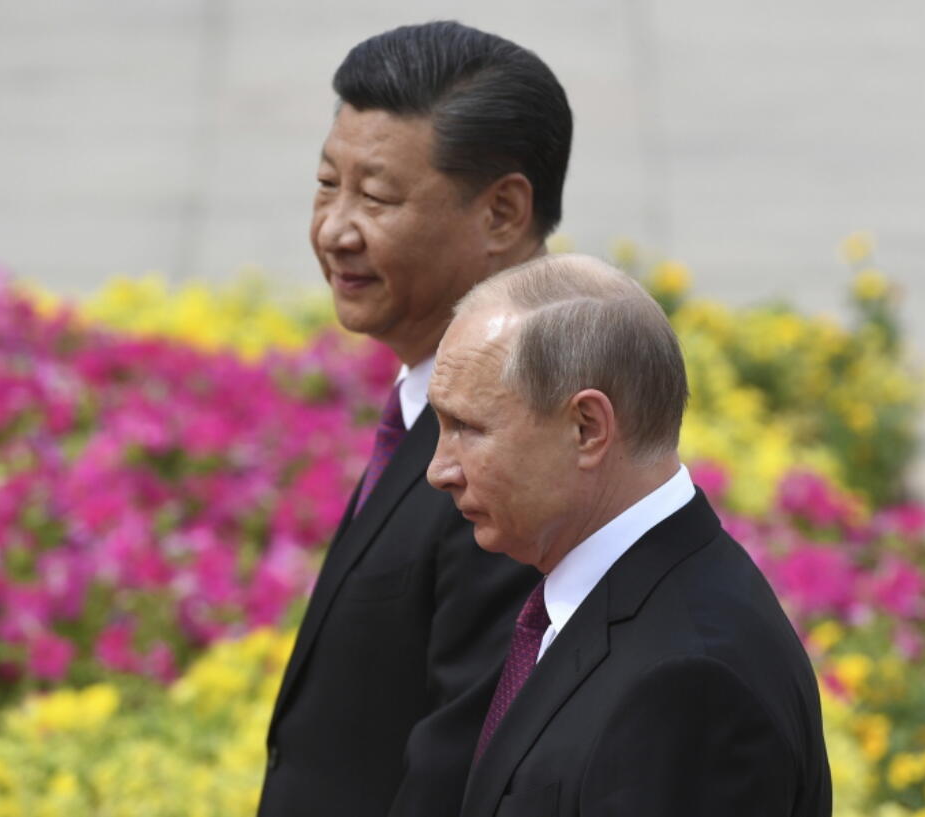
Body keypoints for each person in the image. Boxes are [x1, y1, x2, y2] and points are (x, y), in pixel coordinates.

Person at [258, 22, 572, 817]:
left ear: (502, 213)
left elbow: (462, 773)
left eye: (378, 197)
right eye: (329, 184)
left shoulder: (518, 450)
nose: (335, 229)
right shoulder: (426, 400)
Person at [426, 254, 832, 817]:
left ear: (587, 428)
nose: (439, 469)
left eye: (468, 428)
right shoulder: (613, 597)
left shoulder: (689, 684)